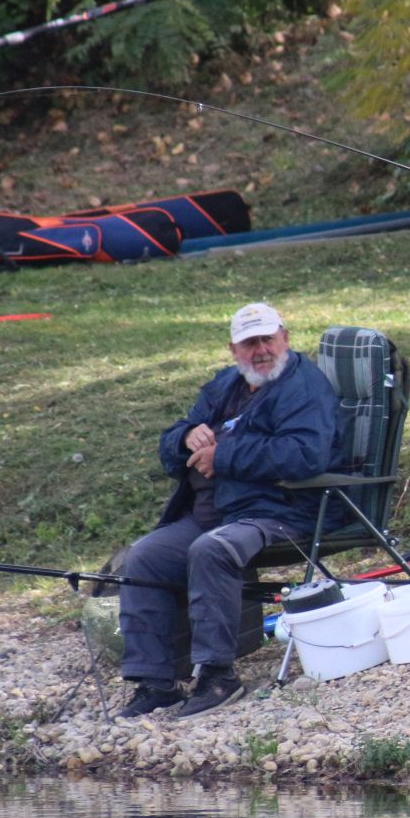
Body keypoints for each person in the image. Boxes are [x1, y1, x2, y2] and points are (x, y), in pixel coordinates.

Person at [116, 302, 343, 719]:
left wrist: (223, 457)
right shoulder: (225, 386)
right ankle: (155, 681)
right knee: (143, 557)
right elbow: (170, 446)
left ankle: (218, 675)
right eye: (249, 342)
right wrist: (184, 438)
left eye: (267, 339)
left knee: (212, 549)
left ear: (285, 339)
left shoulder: (305, 388)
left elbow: (304, 455)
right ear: (233, 349)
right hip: (211, 512)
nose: (260, 350)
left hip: (280, 512)